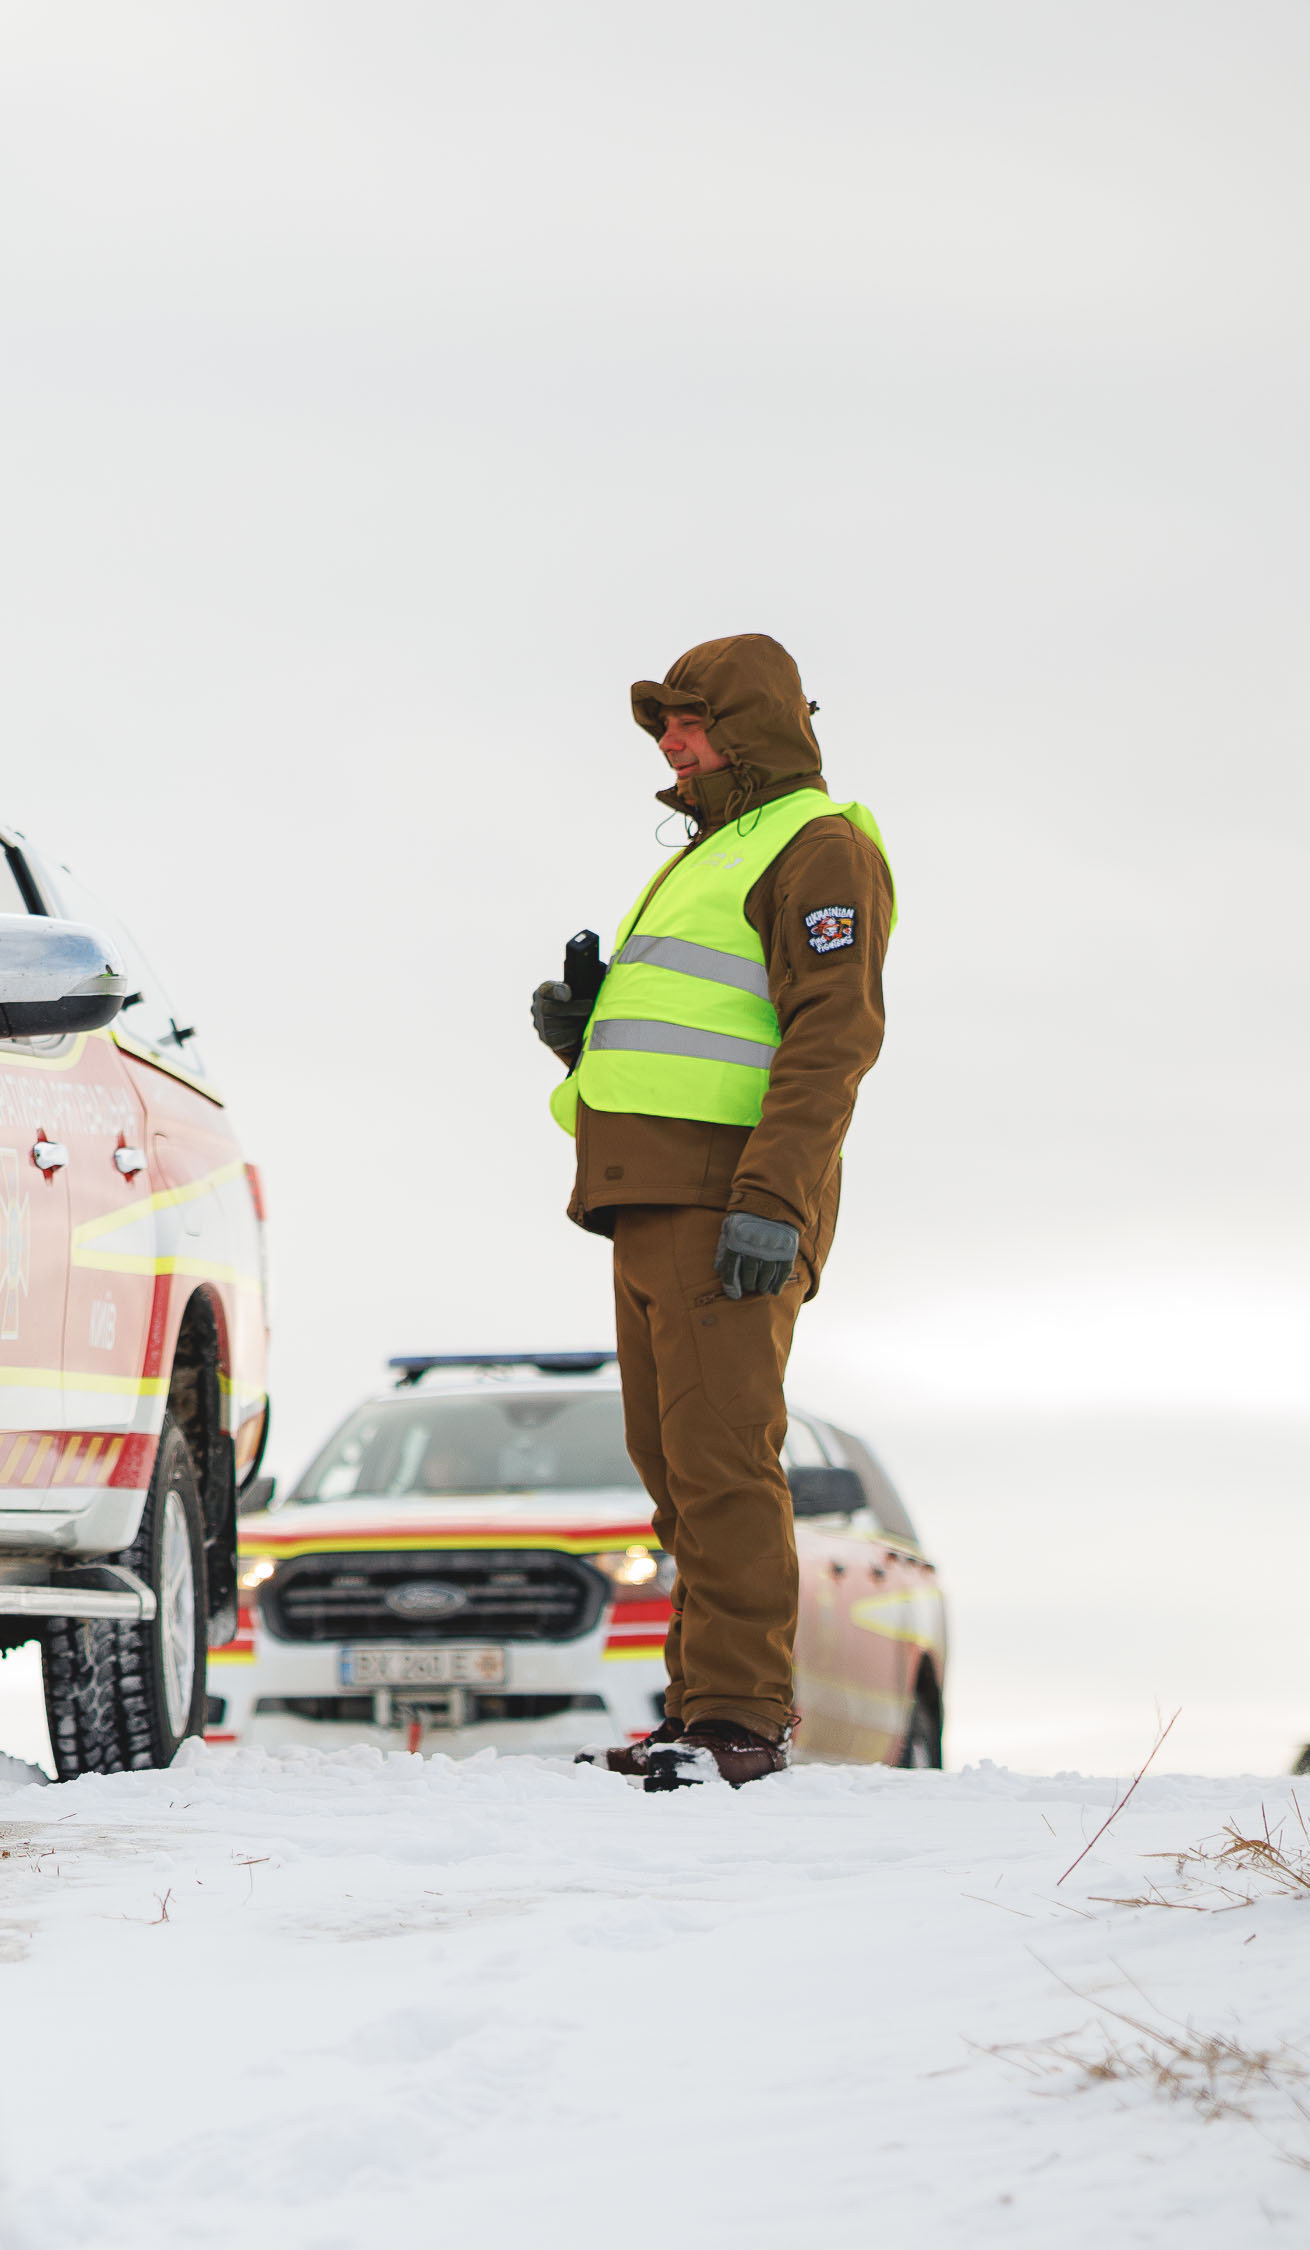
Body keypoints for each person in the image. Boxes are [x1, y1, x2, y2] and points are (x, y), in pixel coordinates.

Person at [532, 634, 893, 1791]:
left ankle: (740, 1719)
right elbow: (695, 1034)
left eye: (688, 723)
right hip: (647, 1196)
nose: (671, 746)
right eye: (664, 727)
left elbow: (832, 1034)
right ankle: (696, 1711)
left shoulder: (817, 845)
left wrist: (773, 1200)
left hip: (727, 1200)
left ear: (748, 726)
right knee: (676, 1467)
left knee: (723, 1459)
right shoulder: (710, 854)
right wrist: (582, 1032)